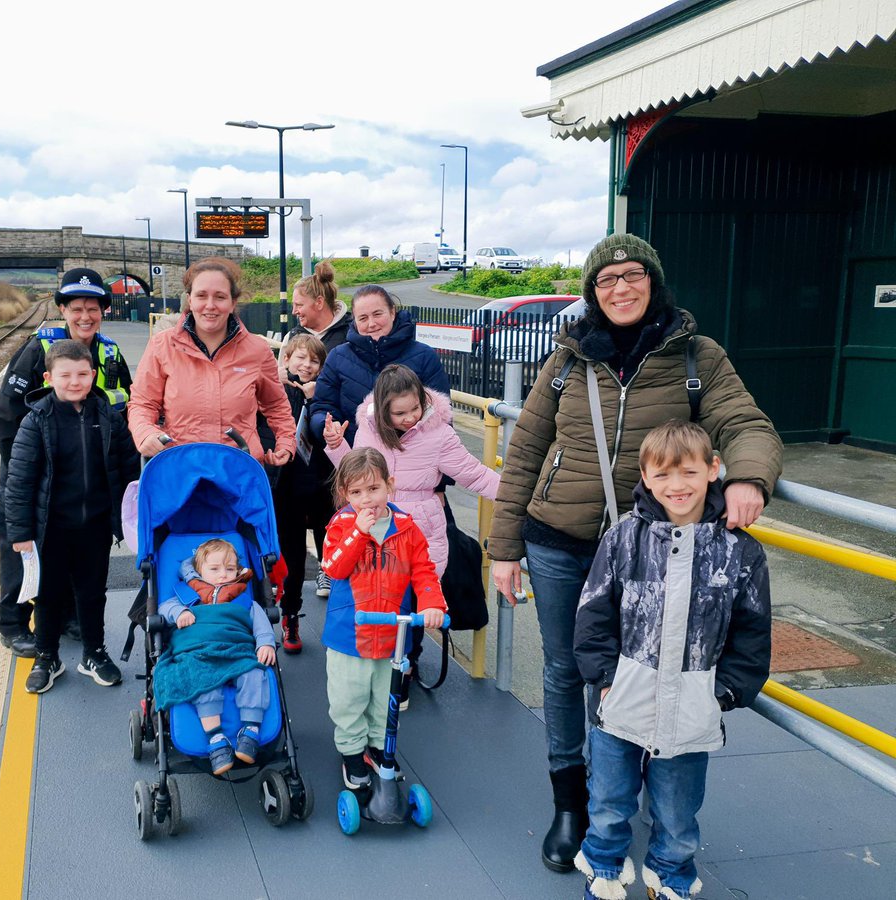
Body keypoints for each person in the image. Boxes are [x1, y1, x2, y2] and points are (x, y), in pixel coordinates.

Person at [486, 233, 782, 874]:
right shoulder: (567, 359)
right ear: (592, 292)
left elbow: (746, 424)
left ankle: (623, 794)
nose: (620, 288)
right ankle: (574, 805)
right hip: (561, 542)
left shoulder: (696, 356)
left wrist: (748, 478)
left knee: (644, 669)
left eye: (632, 274)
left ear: (653, 280)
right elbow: (526, 455)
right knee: (569, 672)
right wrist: (504, 548)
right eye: (606, 279)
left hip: (652, 545)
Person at [572, 421, 771, 900]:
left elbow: (752, 631)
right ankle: (603, 868)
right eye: (662, 475)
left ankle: (671, 874)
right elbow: (593, 613)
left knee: (679, 807)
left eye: (688, 472)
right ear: (645, 476)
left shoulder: (741, 552)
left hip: (693, 705)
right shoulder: (623, 538)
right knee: (609, 798)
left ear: (713, 469)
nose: (676, 486)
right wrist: (604, 680)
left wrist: (724, 693)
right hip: (621, 699)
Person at [0, 267, 133, 657]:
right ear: (62, 308)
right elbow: (7, 417)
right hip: (35, 475)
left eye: (93, 308)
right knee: (22, 549)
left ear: (103, 311)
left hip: (85, 479)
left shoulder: (109, 353)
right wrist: (19, 476)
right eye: (76, 308)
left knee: (73, 554)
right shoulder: (38, 349)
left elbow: (125, 407)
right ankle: (13, 623)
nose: (85, 316)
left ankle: (69, 617)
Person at [3, 340, 140, 693]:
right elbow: (19, 481)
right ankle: (47, 655)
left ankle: (94, 652)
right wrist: (20, 532)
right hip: (50, 529)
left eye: (82, 374)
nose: (75, 381)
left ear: (93, 375)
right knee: (48, 594)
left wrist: (126, 518)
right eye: (65, 375)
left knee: (92, 592)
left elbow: (127, 470)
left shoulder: (108, 417)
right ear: (49, 378)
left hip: (93, 526)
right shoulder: (37, 421)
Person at [320, 448, 446, 791]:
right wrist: (358, 532)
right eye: (356, 492)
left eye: (373, 489)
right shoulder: (341, 525)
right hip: (350, 634)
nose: (366, 499)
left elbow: (422, 570)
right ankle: (350, 752)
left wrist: (433, 603)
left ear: (389, 485)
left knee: (383, 699)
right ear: (345, 494)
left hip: (392, 636)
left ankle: (377, 748)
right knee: (349, 698)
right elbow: (333, 568)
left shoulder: (405, 527)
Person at [324, 363, 501, 578]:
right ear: (382, 409)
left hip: (421, 527)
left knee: (422, 594)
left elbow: (475, 474)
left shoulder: (439, 433)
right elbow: (357, 477)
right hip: (374, 522)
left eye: (415, 408)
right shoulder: (369, 429)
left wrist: (515, 496)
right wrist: (337, 445)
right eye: (399, 413)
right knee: (377, 596)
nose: (410, 418)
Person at [127, 257, 296, 464]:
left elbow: (276, 404)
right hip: (181, 468)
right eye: (201, 296)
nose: (210, 305)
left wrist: (286, 443)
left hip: (240, 470)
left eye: (220, 297)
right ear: (190, 300)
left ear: (233, 302)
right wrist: (144, 431)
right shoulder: (162, 345)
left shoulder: (258, 350)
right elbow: (142, 403)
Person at [156, 539, 277, 775]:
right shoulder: (185, 595)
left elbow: (261, 624)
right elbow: (164, 608)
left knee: (254, 672)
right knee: (201, 680)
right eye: (214, 569)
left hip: (237, 650)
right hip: (199, 652)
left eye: (230, 569)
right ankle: (215, 738)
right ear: (198, 571)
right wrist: (179, 612)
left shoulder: (243, 599)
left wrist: (265, 643)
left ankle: (250, 730)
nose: (223, 575)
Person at [310, 283, 450, 445]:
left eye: (377, 314)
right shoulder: (337, 357)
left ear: (392, 312)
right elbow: (322, 406)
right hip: (355, 459)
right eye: (363, 318)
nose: (371, 323)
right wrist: (326, 426)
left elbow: (442, 416)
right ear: (354, 321)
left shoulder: (424, 356)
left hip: (412, 459)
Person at [272, 334, 335, 654]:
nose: (307, 365)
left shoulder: (327, 395)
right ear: (286, 360)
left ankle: (343, 622)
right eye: (300, 358)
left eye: (314, 361)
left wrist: (316, 399)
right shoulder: (277, 393)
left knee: (335, 561)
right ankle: (290, 616)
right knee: (294, 562)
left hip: (324, 488)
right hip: (289, 491)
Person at [286, 259, 352, 353]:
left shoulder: (353, 333)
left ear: (319, 302)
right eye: (293, 305)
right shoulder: (292, 337)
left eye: (299, 305)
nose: (294, 311)